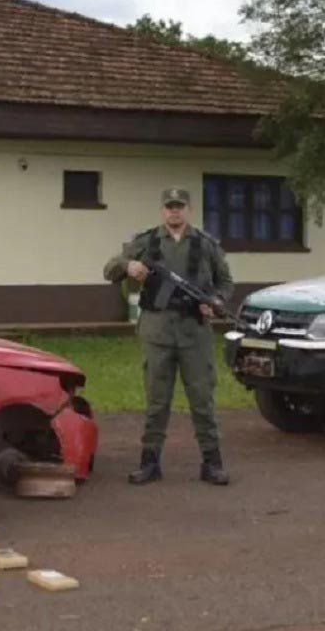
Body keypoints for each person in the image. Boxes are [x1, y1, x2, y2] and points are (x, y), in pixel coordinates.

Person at [103, 187, 234, 486]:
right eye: (170, 206)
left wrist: (215, 301)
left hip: (194, 333)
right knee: (157, 400)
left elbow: (225, 282)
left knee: (202, 400)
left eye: (180, 206)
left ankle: (212, 463)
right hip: (157, 331)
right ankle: (150, 463)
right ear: (162, 210)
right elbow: (110, 269)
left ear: (189, 210)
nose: (175, 211)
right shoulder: (146, 241)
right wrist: (128, 265)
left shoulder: (206, 244)